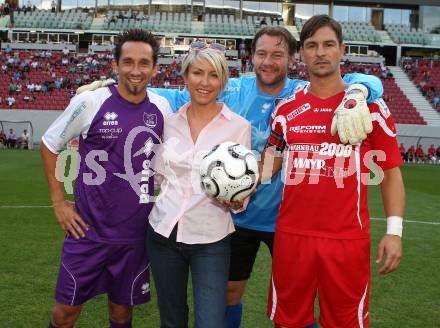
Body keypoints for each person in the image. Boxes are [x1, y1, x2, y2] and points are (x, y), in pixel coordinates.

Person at [77, 26, 384, 328]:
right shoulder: (234, 89)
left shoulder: (302, 92)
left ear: (293, 58)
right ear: (251, 57)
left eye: (278, 55)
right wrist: (108, 84)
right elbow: (177, 89)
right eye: (261, 54)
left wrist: (359, 90)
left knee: (296, 303)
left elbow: (353, 79)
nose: (268, 61)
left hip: (284, 219)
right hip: (237, 219)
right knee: (230, 293)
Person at [262, 15, 405, 328]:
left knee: (345, 324)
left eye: (328, 45)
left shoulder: (370, 107)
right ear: (301, 54)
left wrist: (394, 232)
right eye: (312, 45)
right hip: (292, 237)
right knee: (288, 322)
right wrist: (239, 185)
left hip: (346, 240)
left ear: (342, 50)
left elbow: (391, 173)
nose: (320, 52)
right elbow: (270, 160)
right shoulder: (286, 108)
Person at [40, 29, 170, 328]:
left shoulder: (162, 108)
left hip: (134, 235)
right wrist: (59, 202)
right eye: (128, 62)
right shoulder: (92, 102)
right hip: (87, 232)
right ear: (115, 65)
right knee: (64, 314)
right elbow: (49, 145)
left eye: (143, 63)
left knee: (121, 313)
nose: (135, 71)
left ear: (155, 68)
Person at [147, 44, 251, 328]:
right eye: (197, 73)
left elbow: (242, 190)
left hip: (211, 240)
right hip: (163, 234)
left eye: (213, 75)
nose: (205, 82)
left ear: (223, 82)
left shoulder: (238, 127)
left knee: (211, 322)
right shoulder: (167, 122)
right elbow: (154, 176)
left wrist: (236, 199)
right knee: (172, 319)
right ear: (185, 76)